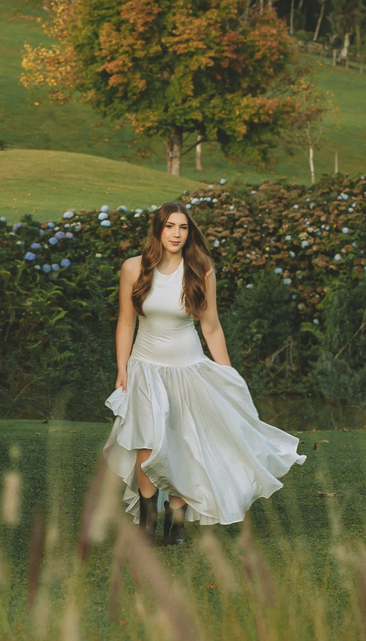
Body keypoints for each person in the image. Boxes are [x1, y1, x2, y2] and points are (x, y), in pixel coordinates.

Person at [103, 201, 305, 545]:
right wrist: (122, 368)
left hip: (188, 369)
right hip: (145, 368)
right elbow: (125, 322)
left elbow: (210, 327)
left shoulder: (200, 269)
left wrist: (227, 373)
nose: (176, 234)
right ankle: (147, 521)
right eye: (170, 226)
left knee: (183, 443)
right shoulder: (133, 268)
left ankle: (176, 524)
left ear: (189, 232)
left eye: (183, 227)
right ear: (158, 229)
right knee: (145, 444)